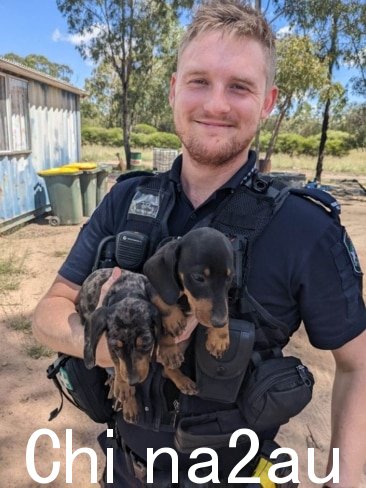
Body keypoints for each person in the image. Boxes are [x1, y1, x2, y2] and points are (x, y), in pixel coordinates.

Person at [32, 1, 366, 487]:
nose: (215, 104)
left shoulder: (306, 227)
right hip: (126, 470)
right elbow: (49, 311)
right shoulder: (126, 199)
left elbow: (357, 368)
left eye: (240, 86)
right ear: (173, 90)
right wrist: (107, 349)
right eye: (198, 81)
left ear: (268, 102)